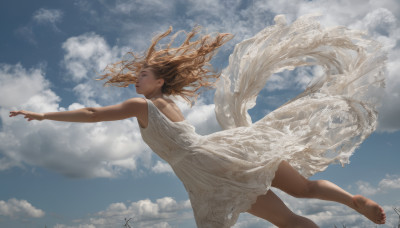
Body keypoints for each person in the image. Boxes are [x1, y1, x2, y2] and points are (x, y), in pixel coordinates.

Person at [10, 15, 387, 228]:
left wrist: (43, 113)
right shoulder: (173, 104)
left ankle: (353, 203)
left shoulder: (142, 106)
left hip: (204, 168)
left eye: (143, 74)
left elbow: (92, 114)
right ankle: (354, 201)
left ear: (159, 81)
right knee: (301, 191)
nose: (136, 79)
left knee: (286, 220)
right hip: (225, 150)